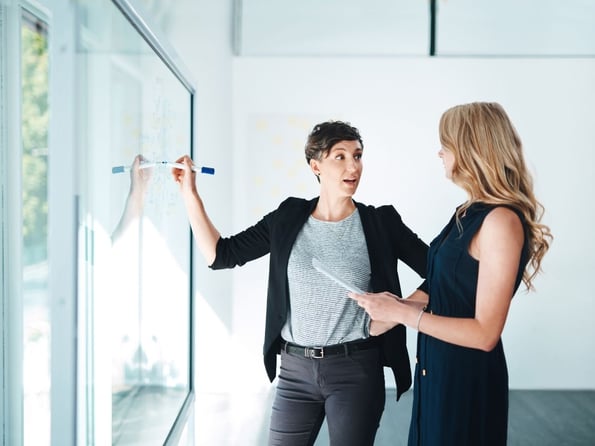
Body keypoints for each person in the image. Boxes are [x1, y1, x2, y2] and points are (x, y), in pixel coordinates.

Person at [171, 120, 428, 446]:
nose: (353, 166)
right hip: (294, 373)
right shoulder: (288, 217)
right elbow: (221, 254)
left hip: (355, 370)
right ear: (315, 165)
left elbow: (441, 272)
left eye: (358, 156)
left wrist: (399, 311)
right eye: (341, 156)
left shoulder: (380, 222)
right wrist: (189, 193)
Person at [349, 102, 553, 445]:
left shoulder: (501, 221)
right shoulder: (468, 212)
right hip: (436, 372)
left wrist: (401, 313)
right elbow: (445, 286)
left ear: (471, 149)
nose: (440, 152)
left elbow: (485, 333)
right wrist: (394, 309)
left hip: (466, 381)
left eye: (447, 143)